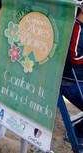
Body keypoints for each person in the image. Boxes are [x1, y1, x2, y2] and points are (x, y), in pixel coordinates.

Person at [60, 3, 83, 141]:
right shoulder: (76, 27)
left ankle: (77, 131)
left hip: (77, 80)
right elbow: (73, 58)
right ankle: (77, 134)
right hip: (69, 82)